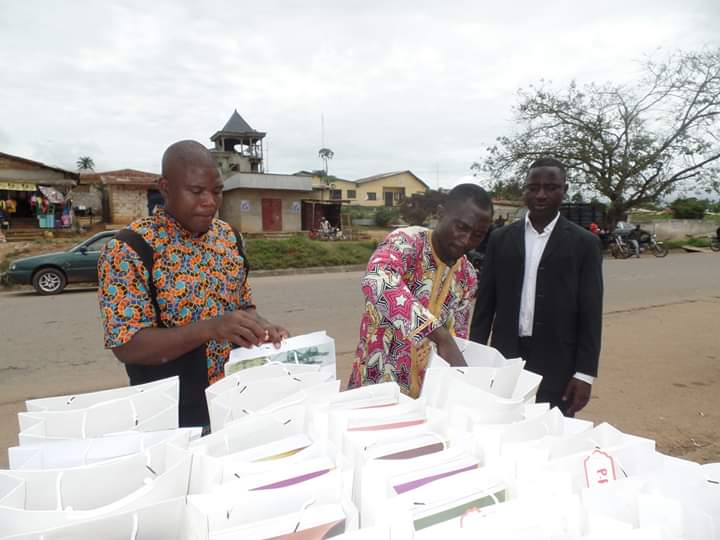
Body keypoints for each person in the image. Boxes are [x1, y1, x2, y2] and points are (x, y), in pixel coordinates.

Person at [97, 140, 288, 428]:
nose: (210, 201)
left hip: (237, 401)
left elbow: (244, 306)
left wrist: (262, 327)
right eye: (196, 191)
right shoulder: (130, 249)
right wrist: (211, 328)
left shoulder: (228, 238)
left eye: (217, 191)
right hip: (171, 416)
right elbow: (127, 345)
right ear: (165, 188)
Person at [470, 158, 603, 416]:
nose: (541, 194)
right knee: (499, 428)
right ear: (525, 191)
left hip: (558, 366)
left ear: (564, 189)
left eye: (550, 187)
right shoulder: (501, 239)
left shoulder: (584, 243)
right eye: (533, 187)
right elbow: (485, 307)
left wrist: (584, 374)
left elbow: (590, 312)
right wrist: (476, 361)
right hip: (505, 361)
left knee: (551, 438)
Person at [348, 184, 494, 397]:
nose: (467, 240)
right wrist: (440, 336)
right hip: (376, 387)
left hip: (428, 396)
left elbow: (459, 337)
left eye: (478, 235)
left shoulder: (467, 275)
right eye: (461, 227)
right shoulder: (406, 243)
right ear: (441, 214)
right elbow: (376, 279)